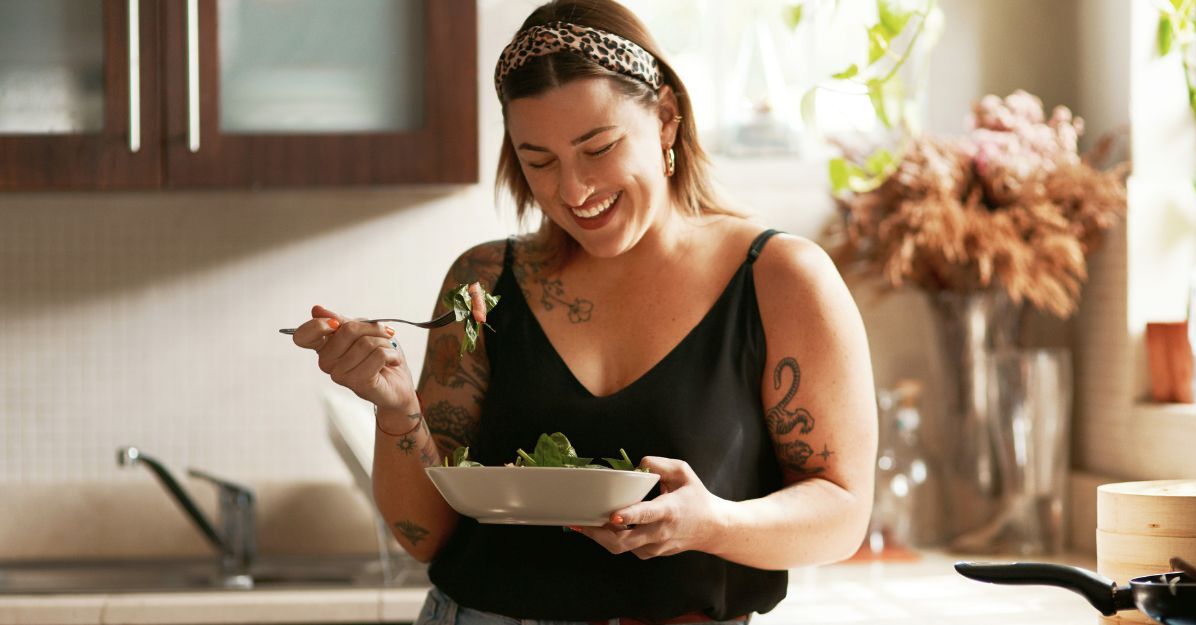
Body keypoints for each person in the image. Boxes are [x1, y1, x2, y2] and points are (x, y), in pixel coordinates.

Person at [289, 1, 877, 622]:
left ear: (667, 119)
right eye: (538, 160)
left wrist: (710, 525)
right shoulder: (485, 284)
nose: (572, 191)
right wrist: (396, 409)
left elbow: (840, 514)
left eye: (598, 148)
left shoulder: (779, 279)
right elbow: (425, 537)